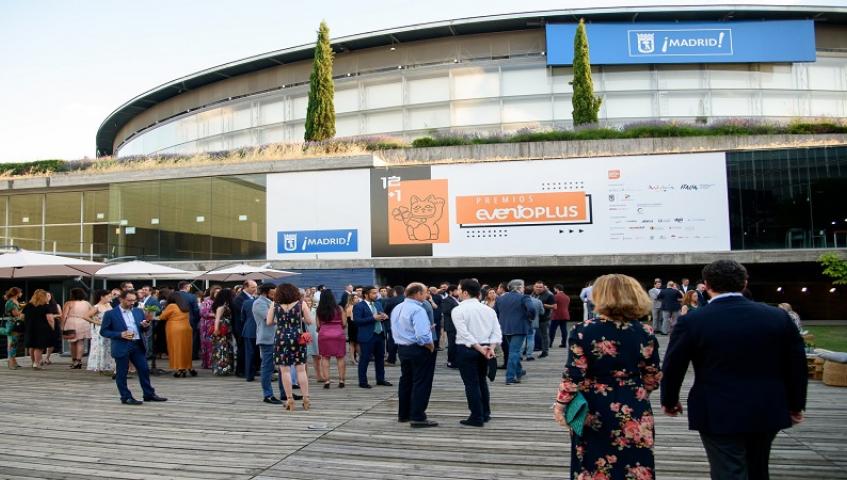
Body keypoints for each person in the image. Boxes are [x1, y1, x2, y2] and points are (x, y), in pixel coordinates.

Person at [661, 260, 808, 480]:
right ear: (744, 282)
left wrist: (670, 400)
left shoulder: (693, 320)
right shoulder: (777, 317)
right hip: (767, 405)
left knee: (727, 470)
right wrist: (796, 404)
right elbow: (797, 365)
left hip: (716, 408)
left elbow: (674, 365)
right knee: (758, 468)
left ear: (707, 285)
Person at [553, 274, 661, 480]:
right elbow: (653, 376)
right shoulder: (645, 331)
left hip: (594, 406)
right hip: (634, 403)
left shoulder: (583, 330)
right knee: (635, 462)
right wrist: (635, 390)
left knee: (592, 464)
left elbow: (574, 374)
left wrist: (561, 404)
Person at [100, 290, 167, 405]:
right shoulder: (110, 314)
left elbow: (141, 328)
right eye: (129, 300)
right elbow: (104, 331)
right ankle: (125, 397)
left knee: (144, 369)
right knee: (122, 373)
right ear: (121, 299)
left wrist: (145, 326)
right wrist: (119, 334)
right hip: (122, 345)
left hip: (137, 344)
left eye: (134, 300)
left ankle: (148, 394)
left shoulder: (138, 312)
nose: (132, 303)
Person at [452, 279, 501, 427]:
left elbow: (464, 334)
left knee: (471, 384)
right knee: (481, 381)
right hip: (485, 348)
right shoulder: (488, 310)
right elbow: (497, 333)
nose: (458, 292)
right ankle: (485, 413)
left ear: (465, 292)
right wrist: (490, 348)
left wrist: (480, 348)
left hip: (468, 349)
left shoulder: (458, 309)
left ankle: (476, 416)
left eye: (459, 290)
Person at [391, 282, 437, 428]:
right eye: (425, 292)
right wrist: (430, 346)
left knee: (406, 381)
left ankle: (404, 414)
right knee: (421, 382)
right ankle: (418, 416)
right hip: (418, 349)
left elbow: (401, 328)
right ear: (417, 294)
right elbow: (422, 336)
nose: (427, 295)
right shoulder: (418, 309)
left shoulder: (398, 308)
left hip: (403, 348)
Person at [268, 283, 313, 411]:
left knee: (285, 370)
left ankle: (289, 400)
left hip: (281, 337)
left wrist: (282, 321)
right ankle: (306, 399)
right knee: (301, 369)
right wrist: (299, 318)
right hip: (297, 337)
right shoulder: (301, 304)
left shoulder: (274, 304)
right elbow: (310, 321)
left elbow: (269, 322)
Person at [252, 284, 297, 404]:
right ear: (266, 292)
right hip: (267, 339)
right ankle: (268, 395)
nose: (276, 294)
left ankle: (285, 393)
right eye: (273, 292)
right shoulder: (259, 303)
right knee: (268, 367)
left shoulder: (272, 302)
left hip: (278, 338)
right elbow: (269, 320)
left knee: (284, 367)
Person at [494, 279, 533, 385]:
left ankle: (519, 372)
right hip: (520, 328)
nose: (524, 289)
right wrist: (529, 318)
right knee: (514, 352)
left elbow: (495, 313)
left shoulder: (500, 299)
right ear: (519, 287)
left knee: (513, 350)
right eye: (523, 287)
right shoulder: (524, 297)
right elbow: (532, 309)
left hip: (505, 328)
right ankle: (510, 377)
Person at [353, 286, 392, 389]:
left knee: (380, 358)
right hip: (367, 336)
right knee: (364, 359)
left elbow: (381, 316)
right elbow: (357, 321)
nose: (376, 295)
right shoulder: (359, 306)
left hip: (379, 334)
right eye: (374, 293)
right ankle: (363, 381)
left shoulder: (378, 303)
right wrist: (372, 318)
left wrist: (384, 317)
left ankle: (380, 379)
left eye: (376, 293)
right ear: (366, 294)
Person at [316, 289, 347, 388]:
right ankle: (341, 380)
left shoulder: (319, 310)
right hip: (338, 333)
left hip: (324, 334)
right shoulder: (339, 308)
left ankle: (327, 381)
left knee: (325, 357)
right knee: (340, 357)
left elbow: (318, 325)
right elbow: (344, 323)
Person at [159, 292, 195, 377]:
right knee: (186, 349)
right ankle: (188, 366)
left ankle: (180, 368)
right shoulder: (185, 307)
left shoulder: (171, 306)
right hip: (187, 328)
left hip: (175, 329)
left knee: (176, 349)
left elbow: (162, 317)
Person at [61, 288, 94, 369]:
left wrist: (61, 326)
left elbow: (64, 316)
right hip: (83, 322)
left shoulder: (69, 303)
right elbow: (92, 314)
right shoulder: (87, 303)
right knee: (81, 342)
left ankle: (74, 360)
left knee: (72, 342)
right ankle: (78, 361)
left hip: (71, 322)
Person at [23, 289, 56, 370]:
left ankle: (33, 362)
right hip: (42, 328)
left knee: (32, 346)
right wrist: (52, 328)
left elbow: (22, 317)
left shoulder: (28, 306)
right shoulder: (45, 306)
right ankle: (37, 364)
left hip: (30, 328)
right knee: (39, 347)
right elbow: (50, 319)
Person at [232, 279, 257, 377]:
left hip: (247, 327)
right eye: (252, 287)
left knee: (249, 350)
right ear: (246, 287)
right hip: (241, 328)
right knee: (242, 350)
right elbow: (244, 314)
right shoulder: (239, 298)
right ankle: (240, 370)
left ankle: (250, 369)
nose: (255, 289)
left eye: (255, 287)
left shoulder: (251, 297)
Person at [86, 289, 114, 376]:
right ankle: (100, 367)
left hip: (109, 328)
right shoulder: (97, 306)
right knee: (101, 347)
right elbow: (85, 316)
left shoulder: (109, 305)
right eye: (108, 296)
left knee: (108, 347)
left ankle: (108, 366)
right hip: (100, 329)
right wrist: (96, 322)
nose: (110, 297)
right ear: (102, 297)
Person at [211, 288, 236, 376]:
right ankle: (221, 368)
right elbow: (217, 319)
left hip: (226, 329)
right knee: (222, 348)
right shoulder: (222, 306)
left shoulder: (224, 304)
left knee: (225, 348)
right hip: (222, 329)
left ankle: (225, 367)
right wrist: (216, 329)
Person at [381, 285, 405, 366]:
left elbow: (385, 310)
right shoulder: (407, 299)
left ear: (395, 292)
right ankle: (404, 359)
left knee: (392, 342)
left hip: (394, 324)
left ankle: (391, 359)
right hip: (405, 324)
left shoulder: (392, 300)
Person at [177, 281, 201, 360]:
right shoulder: (192, 297)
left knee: (178, 339)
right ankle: (192, 355)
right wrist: (196, 320)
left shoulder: (174, 296)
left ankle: (179, 354)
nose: (190, 288)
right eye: (189, 287)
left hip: (176, 321)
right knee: (192, 339)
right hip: (190, 320)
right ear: (186, 287)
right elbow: (196, 310)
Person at [531, 281, 555, 358]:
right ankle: (529, 350)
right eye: (537, 287)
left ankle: (545, 351)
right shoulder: (533, 294)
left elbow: (554, 307)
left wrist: (541, 304)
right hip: (533, 319)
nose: (538, 288)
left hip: (544, 318)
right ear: (534, 287)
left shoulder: (549, 295)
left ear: (543, 287)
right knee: (530, 335)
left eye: (540, 287)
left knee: (544, 335)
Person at [198, 286, 221, 369]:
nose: (218, 294)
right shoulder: (207, 301)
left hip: (217, 325)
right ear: (212, 293)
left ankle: (215, 362)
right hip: (206, 325)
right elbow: (203, 313)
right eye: (216, 292)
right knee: (207, 344)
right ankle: (207, 363)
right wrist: (216, 315)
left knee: (215, 344)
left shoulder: (221, 302)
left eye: (219, 292)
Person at [303, 295, 322, 382]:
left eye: (309, 301)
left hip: (315, 335)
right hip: (305, 335)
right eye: (306, 301)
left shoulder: (316, 311)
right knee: (304, 358)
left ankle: (319, 376)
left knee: (317, 356)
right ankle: (305, 377)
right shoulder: (300, 312)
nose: (308, 303)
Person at [4, 287, 24, 369]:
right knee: (12, 343)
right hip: (12, 324)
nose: (21, 294)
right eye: (20, 292)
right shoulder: (11, 302)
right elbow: (16, 314)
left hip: (15, 323)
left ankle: (14, 361)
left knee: (14, 343)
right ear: (16, 293)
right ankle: (10, 363)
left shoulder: (14, 301)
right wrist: (23, 308)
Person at [241, 287, 258, 382]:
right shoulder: (268, 303)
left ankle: (249, 375)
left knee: (249, 353)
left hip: (248, 330)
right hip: (262, 331)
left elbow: (242, 317)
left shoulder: (246, 302)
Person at [440, 285, 460, 368]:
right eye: (456, 290)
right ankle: (451, 361)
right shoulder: (446, 300)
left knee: (456, 344)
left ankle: (456, 360)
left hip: (457, 325)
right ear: (451, 291)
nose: (458, 292)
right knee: (452, 344)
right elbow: (446, 311)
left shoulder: (456, 300)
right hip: (451, 325)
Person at [523, 288, 543, 362]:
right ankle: (529, 355)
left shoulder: (520, 301)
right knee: (531, 339)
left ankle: (519, 355)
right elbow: (542, 312)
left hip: (523, 323)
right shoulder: (538, 301)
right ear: (532, 292)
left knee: (522, 340)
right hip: (533, 323)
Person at [549, 284, 571, 348]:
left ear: (557, 289)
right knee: (564, 329)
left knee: (552, 330)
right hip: (565, 314)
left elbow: (554, 306)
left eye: (554, 289)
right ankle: (564, 343)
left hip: (556, 315)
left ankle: (550, 343)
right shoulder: (567, 297)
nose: (554, 290)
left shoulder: (555, 296)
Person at [345, 291, 360, 364]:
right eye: (356, 298)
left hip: (350, 327)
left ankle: (353, 359)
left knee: (352, 343)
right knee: (356, 343)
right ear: (352, 299)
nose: (357, 299)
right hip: (354, 326)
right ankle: (359, 358)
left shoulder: (347, 306)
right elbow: (352, 318)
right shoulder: (353, 307)